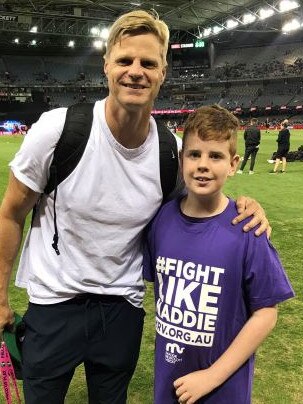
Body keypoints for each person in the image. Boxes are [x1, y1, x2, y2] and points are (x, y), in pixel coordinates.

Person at [0, 10, 270, 404]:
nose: (135, 71)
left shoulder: (169, 152)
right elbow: (10, 213)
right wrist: (1, 298)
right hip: (53, 305)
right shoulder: (57, 131)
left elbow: (199, 205)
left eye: (149, 63)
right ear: (106, 65)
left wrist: (245, 206)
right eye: (125, 60)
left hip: (121, 310)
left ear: (163, 72)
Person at [143, 105, 294, 404]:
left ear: (233, 164)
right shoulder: (162, 220)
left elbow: (266, 313)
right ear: (182, 157)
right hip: (169, 385)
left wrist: (212, 376)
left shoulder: (248, 228)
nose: (203, 165)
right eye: (194, 154)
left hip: (223, 389)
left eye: (215, 156)